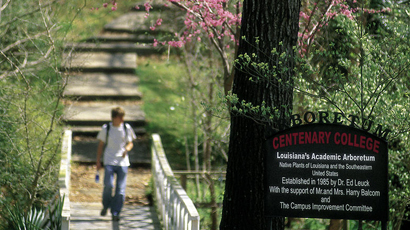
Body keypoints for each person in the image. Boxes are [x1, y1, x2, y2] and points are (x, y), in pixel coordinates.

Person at [96, 106, 136, 221]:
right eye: (120, 117)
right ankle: (106, 205)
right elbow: (100, 146)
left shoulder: (126, 127)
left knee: (120, 189)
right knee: (108, 185)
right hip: (109, 161)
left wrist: (127, 149)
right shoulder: (106, 128)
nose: (122, 119)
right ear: (114, 118)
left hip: (122, 162)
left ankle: (115, 212)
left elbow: (130, 143)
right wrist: (98, 161)